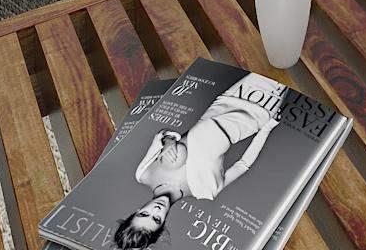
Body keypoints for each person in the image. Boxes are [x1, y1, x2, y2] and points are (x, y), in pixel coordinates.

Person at [112, 71, 288, 247]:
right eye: (156, 219)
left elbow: (161, 136)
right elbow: (243, 165)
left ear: (136, 211)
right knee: (284, 73)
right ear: (163, 224)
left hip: (228, 99)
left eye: (144, 214)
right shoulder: (205, 191)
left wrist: (169, 142)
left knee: (263, 65)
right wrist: (267, 128)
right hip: (256, 116)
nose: (155, 210)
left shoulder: (143, 174)